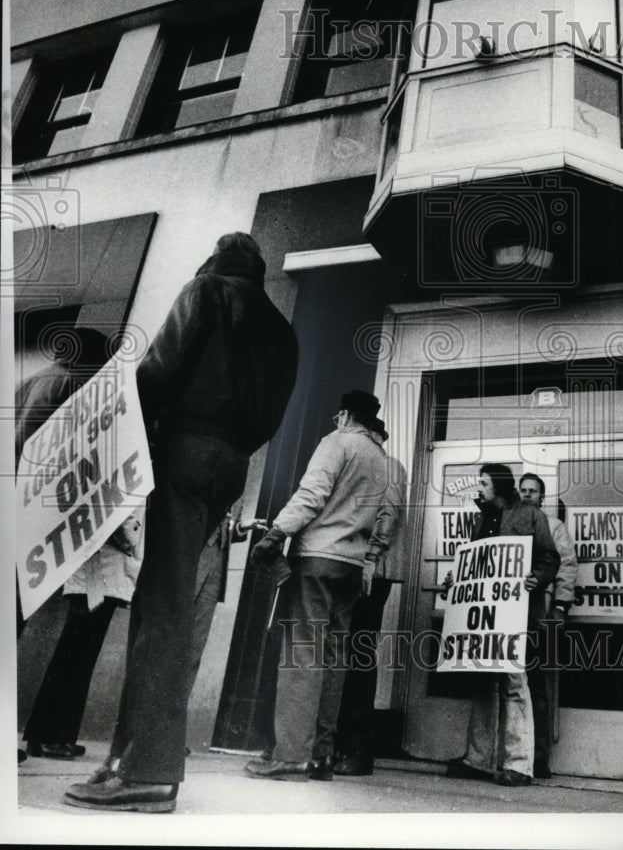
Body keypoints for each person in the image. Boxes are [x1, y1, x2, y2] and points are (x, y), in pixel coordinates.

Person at [65, 232, 298, 813]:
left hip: (181, 451)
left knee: (160, 611)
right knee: (165, 607)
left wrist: (124, 441)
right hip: (231, 465)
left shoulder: (206, 290)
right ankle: (128, 758)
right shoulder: (281, 328)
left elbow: (157, 371)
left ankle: (147, 768)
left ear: (214, 259)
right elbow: (272, 415)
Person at [244, 390, 389, 782]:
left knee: (302, 655)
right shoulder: (381, 459)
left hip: (317, 558)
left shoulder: (336, 442)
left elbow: (312, 495)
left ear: (343, 415)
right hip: (351, 566)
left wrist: (277, 532)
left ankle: (291, 755)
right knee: (333, 658)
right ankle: (322, 754)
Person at [15, 326, 138, 762]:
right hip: (27, 520)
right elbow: (38, 458)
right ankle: (45, 734)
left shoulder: (39, 379)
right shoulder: (67, 385)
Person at [444, 463, 560, 787]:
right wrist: (459, 579)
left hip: (518, 615)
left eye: (483, 483)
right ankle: (478, 759)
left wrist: (535, 579)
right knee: (482, 682)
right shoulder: (481, 519)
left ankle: (520, 764)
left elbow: (550, 559)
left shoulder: (532, 516)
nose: (478, 488)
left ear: (498, 485)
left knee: (514, 683)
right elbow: (478, 564)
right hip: (488, 619)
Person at [333, 418, 408, 777]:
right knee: (350, 655)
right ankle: (344, 745)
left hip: (370, 570)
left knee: (359, 656)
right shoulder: (375, 464)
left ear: (376, 437)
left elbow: (388, 512)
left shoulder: (388, 466)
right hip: (360, 566)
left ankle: (356, 748)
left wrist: (371, 557)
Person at [518, 473, 578, 779]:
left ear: (542, 497)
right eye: (524, 490)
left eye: (534, 491)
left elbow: (566, 566)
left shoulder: (553, 527)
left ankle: (539, 757)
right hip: (507, 614)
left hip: (538, 613)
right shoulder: (511, 524)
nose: (528, 495)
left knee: (535, 683)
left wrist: (560, 606)